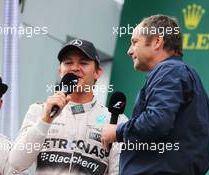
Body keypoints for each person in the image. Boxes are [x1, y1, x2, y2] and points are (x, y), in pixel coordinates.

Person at [101, 14, 209, 175]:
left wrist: (117, 131)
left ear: (157, 41)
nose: (129, 51)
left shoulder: (170, 71)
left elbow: (157, 121)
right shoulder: (179, 73)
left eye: (134, 42)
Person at [9, 39, 127, 175]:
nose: (75, 68)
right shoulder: (39, 111)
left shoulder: (116, 120)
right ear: (60, 71)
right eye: (68, 62)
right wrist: (46, 120)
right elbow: (17, 162)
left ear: (97, 73)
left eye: (83, 62)